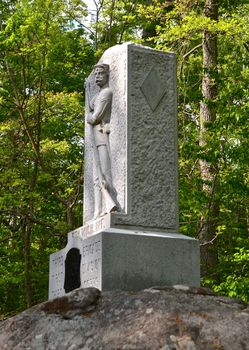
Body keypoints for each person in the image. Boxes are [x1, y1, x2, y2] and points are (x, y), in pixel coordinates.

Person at [87, 63, 116, 219]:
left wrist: (88, 117)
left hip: (102, 139)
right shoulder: (98, 95)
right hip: (96, 141)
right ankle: (98, 211)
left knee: (104, 176)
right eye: (95, 74)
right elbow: (91, 103)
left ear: (107, 76)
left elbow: (95, 117)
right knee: (97, 178)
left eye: (100, 74)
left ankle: (107, 207)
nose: (97, 76)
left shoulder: (106, 93)